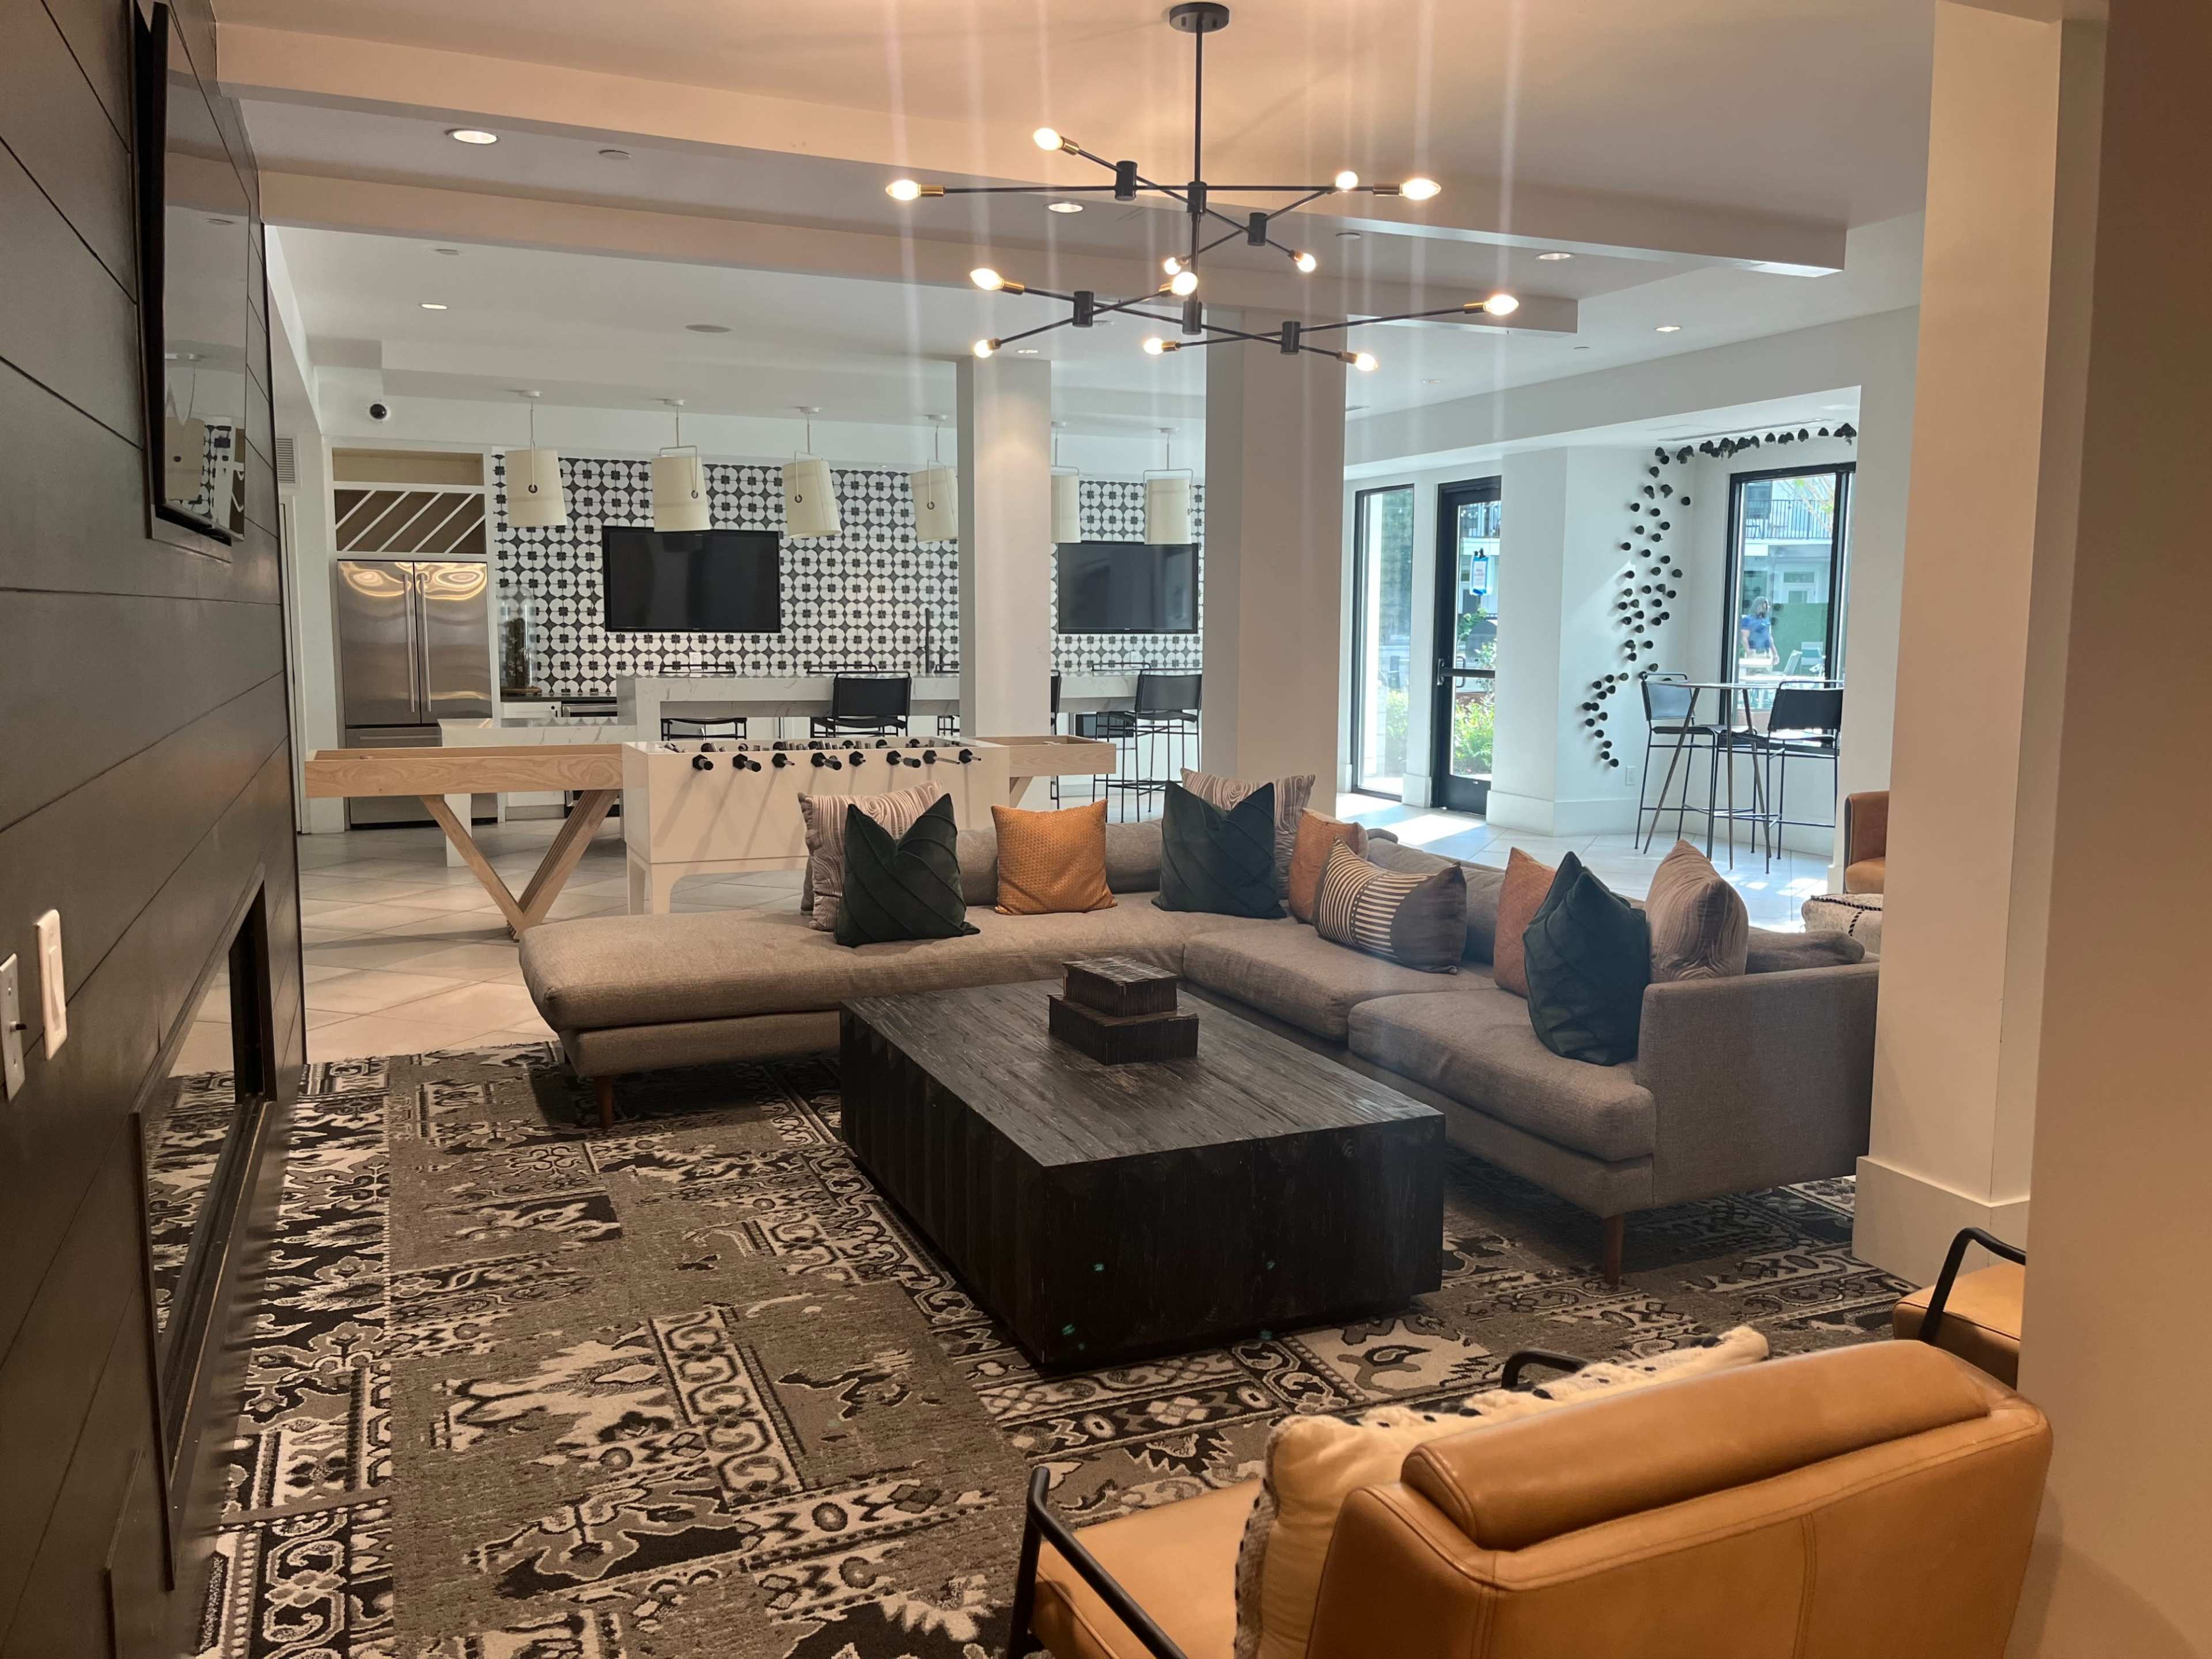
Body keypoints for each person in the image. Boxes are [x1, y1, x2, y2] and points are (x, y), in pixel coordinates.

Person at [1739, 597, 1778, 669]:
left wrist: (1775, 654)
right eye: (1766, 604)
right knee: (1753, 674)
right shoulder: (1748, 620)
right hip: (1753, 653)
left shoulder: (1766, 620)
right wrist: (1749, 653)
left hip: (1765, 654)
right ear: (1759, 606)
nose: (1768, 607)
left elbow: (1769, 638)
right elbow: (1744, 638)